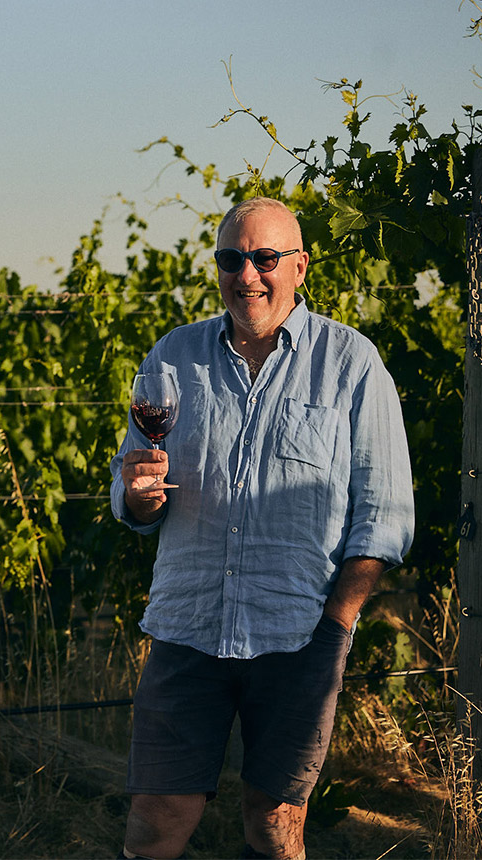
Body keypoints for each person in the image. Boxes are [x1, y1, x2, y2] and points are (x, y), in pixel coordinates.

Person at [110, 197, 414, 859]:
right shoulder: (174, 357)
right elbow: (135, 499)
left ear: (299, 267)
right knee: (155, 820)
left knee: (274, 823)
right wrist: (138, 495)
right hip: (188, 627)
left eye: (265, 258)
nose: (247, 275)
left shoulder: (351, 363)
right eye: (231, 259)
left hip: (298, 637)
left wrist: (336, 625)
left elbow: (386, 516)